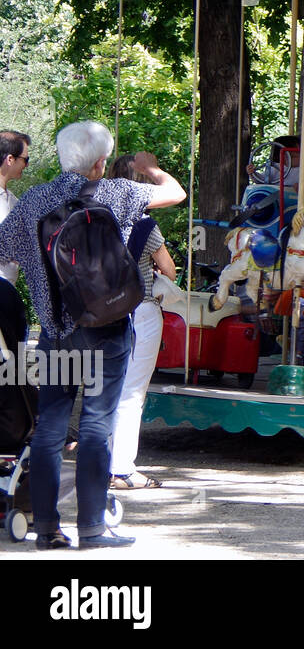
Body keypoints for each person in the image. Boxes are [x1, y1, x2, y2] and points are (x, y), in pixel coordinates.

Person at [0, 121, 185, 549]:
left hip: (55, 333)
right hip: (107, 330)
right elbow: (176, 193)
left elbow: (4, 250)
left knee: (49, 429)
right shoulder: (117, 193)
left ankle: (46, 529)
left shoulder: (33, 200)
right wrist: (150, 169)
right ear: (101, 163)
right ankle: (92, 529)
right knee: (98, 425)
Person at [106, 155, 176, 490]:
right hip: (140, 310)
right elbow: (169, 269)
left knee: (105, 387)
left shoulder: (97, 219)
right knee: (132, 392)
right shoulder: (145, 225)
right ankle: (121, 469)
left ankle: (101, 461)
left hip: (103, 311)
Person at [0, 131, 30, 347]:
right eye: (25, 160)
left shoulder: (14, 202)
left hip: (7, 291)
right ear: (10, 159)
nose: (26, 166)